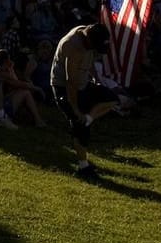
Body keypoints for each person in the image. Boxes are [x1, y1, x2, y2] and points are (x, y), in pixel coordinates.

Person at [51, 23, 119, 178]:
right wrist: (74, 108)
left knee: (113, 99)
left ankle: (89, 118)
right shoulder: (72, 46)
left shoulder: (88, 36)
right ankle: (83, 167)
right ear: (90, 41)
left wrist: (95, 77)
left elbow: (89, 61)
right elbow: (70, 82)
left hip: (83, 84)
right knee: (79, 126)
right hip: (64, 88)